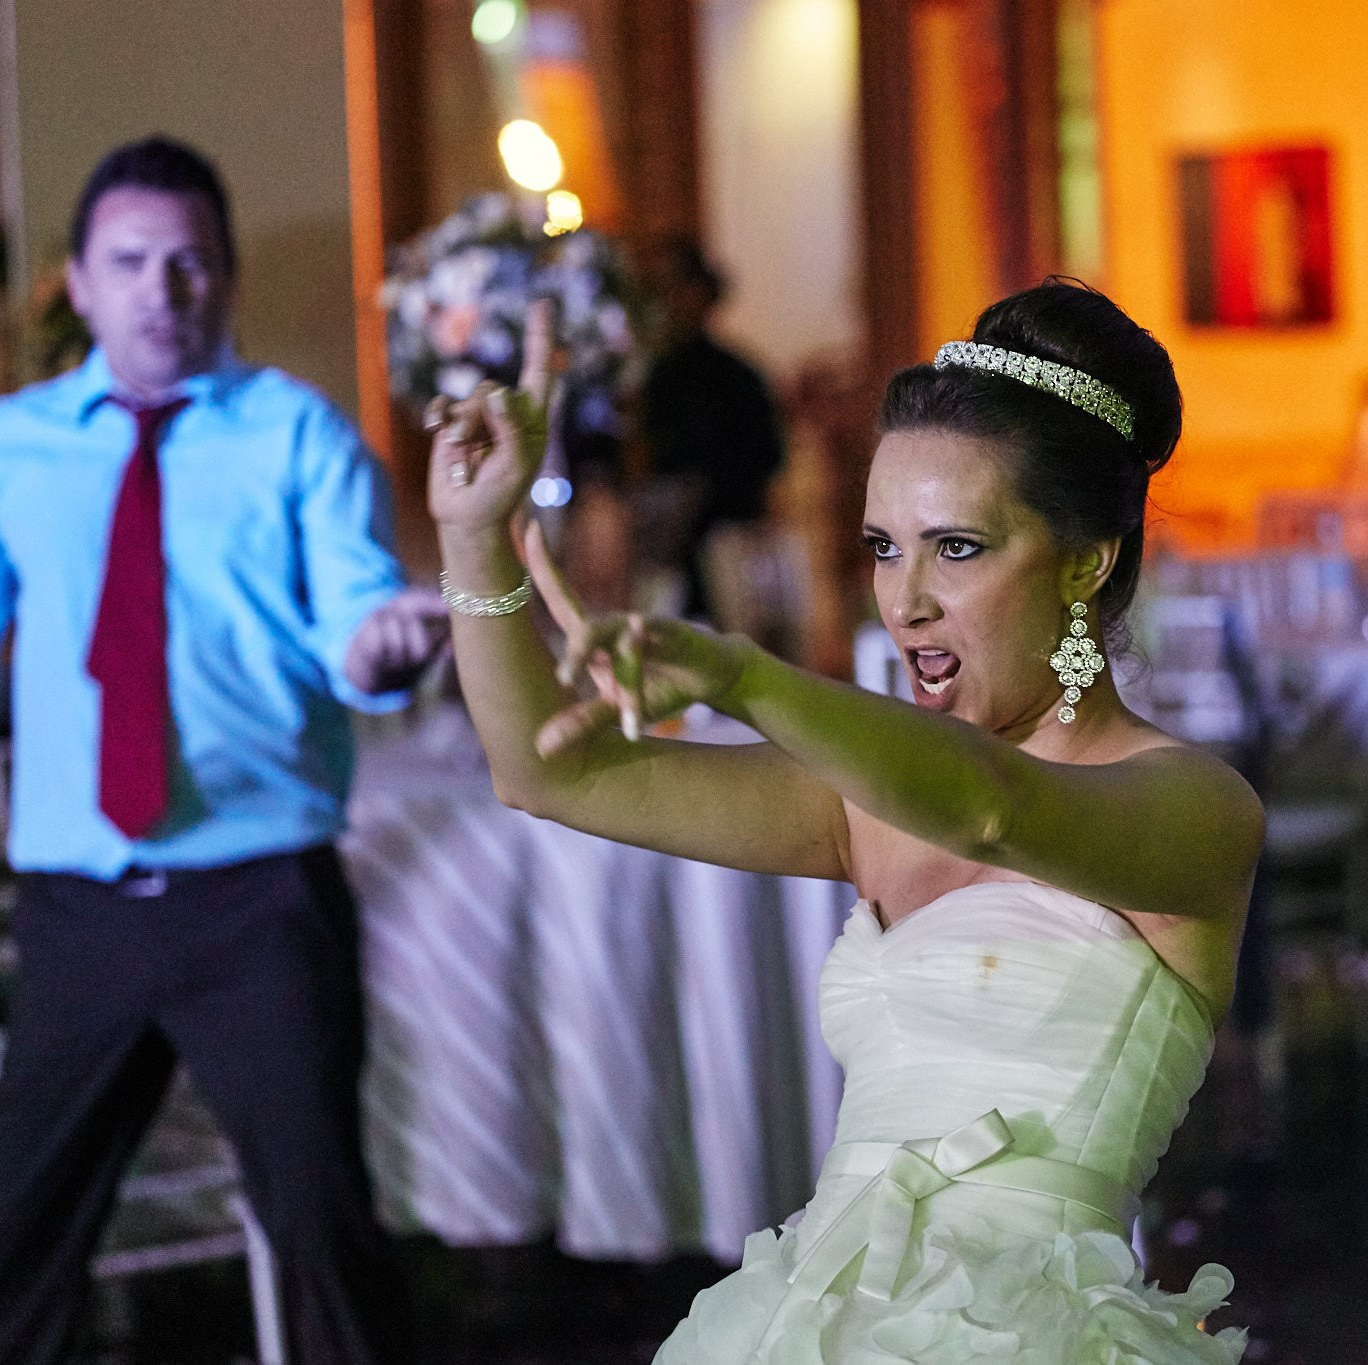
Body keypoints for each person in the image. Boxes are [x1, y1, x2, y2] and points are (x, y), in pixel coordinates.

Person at [431, 281, 1260, 1360]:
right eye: (881, 546)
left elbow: (988, 810)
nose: (903, 599)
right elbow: (549, 775)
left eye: (955, 547)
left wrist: (743, 678)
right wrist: (472, 535)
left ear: (1082, 561)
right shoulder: (867, 796)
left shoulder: (1193, 806)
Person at [0, 137, 439, 1363]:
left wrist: (385, 647)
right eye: (132, 263)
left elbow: (354, 625)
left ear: (226, 280)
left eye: (191, 263)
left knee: (327, 1238)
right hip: (79, 908)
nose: (164, 291)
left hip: (260, 903)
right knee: (17, 1246)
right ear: (80, 285)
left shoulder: (296, 436)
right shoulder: (8, 447)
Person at [633, 238, 785, 622]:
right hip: (663, 547)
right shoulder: (648, 374)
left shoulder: (738, 375)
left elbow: (765, 457)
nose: (669, 301)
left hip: (722, 545)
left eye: (679, 288)